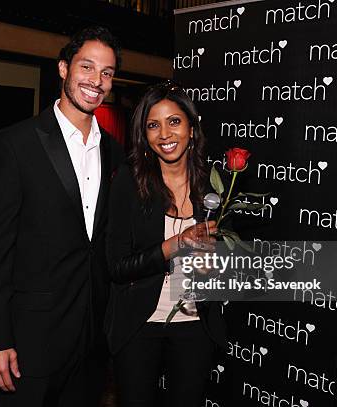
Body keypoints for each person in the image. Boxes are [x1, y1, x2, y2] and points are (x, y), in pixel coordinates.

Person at [0, 26, 124, 406]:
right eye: (87, 67)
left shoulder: (115, 152)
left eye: (106, 73)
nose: (97, 81)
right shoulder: (15, 144)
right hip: (28, 343)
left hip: (91, 341)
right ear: (63, 68)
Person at [105, 82, 227, 407]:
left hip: (195, 325)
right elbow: (116, 267)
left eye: (174, 121)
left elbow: (228, 266)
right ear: (144, 135)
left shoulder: (214, 186)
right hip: (139, 324)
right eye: (153, 125)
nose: (164, 134)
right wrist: (173, 245)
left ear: (191, 126)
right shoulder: (129, 183)